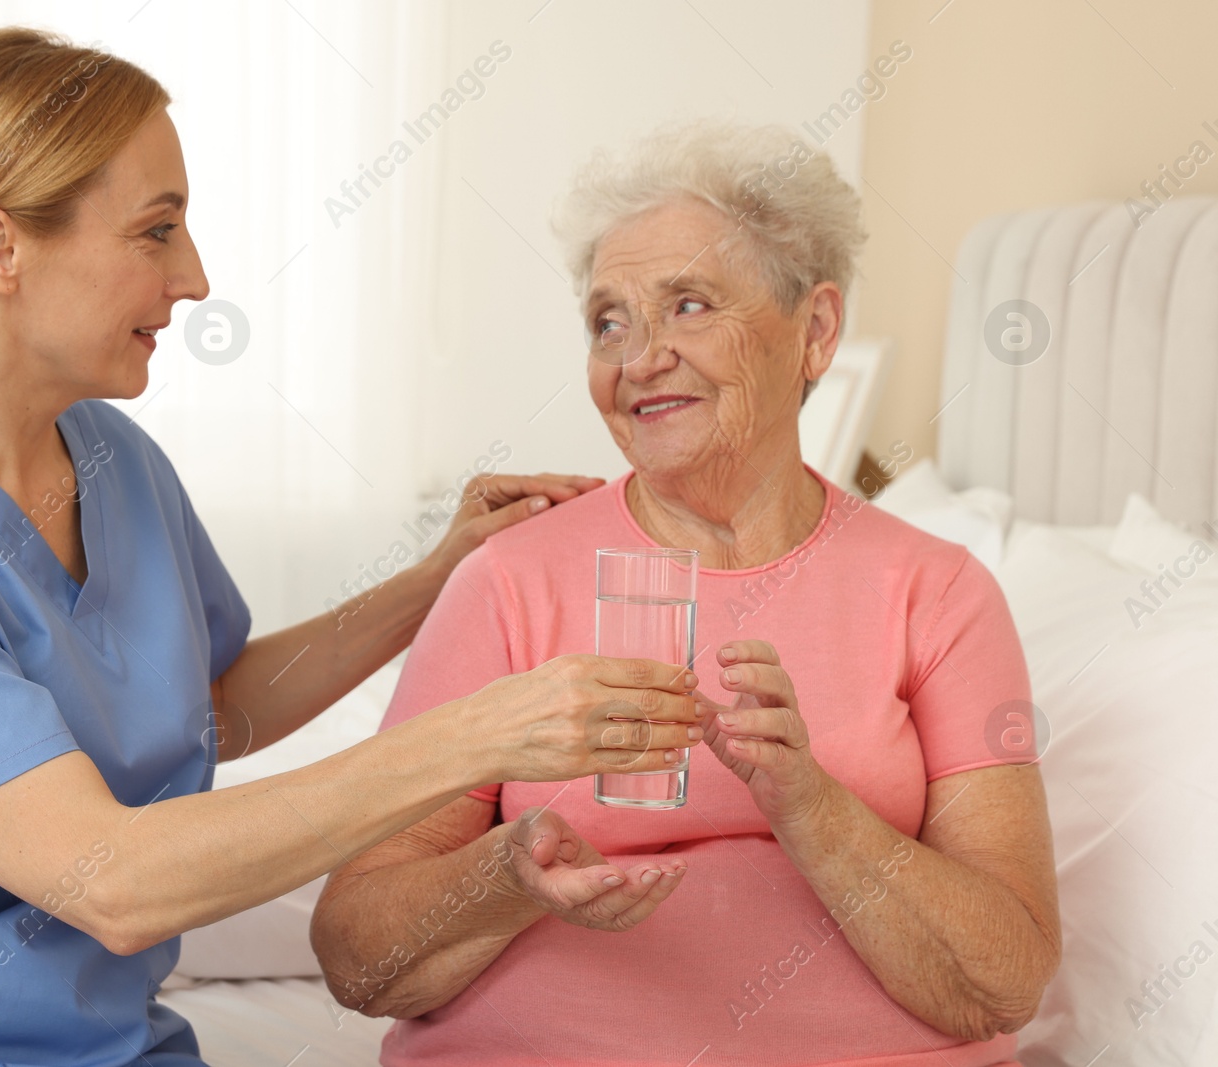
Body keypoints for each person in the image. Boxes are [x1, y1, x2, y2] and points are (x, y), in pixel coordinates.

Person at [0, 28, 701, 1067]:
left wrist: (433, 577)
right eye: (156, 230)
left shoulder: (112, 460)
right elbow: (112, 879)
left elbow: (209, 707)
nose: (195, 276)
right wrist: (482, 734)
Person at [311, 120, 1062, 1066]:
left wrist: (813, 807)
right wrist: (505, 874)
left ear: (817, 330)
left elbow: (1006, 978)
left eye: (690, 305)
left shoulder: (938, 592)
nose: (638, 358)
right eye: (608, 322)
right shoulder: (509, 578)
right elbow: (355, 958)